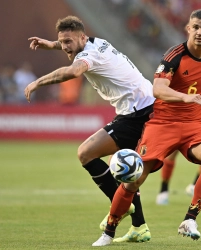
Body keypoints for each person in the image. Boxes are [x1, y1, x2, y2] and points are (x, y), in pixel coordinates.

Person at [94, 9, 201, 246]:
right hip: (163, 124)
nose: (199, 32)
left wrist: (200, 110)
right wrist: (185, 98)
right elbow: (158, 89)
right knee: (134, 180)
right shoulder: (174, 55)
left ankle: (190, 220)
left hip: (194, 125)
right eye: (195, 27)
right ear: (188, 29)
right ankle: (110, 230)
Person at [24, 15, 152, 244]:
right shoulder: (94, 41)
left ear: (82, 37)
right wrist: (50, 44)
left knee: (86, 153)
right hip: (140, 106)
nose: (65, 47)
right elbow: (70, 44)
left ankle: (121, 207)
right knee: (124, 170)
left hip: (138, 112)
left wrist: (38, 82)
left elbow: (73, 72)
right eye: (62, 42)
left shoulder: (88, 55)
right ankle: (139, 227)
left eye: (69, 42)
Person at [156, 10, 201, 205]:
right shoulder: (182, 53)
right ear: (190, 28)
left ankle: (195, 184)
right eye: (197, 27)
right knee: (172, 149)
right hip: (186, 100)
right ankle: (163, 189)